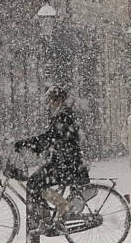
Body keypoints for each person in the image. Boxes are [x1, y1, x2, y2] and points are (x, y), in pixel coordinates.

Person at [14, 85, 89, 234]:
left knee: (34, 183)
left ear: (59, 99)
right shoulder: (62, 113)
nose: (50, 103)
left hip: (66, 163)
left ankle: (58, 210)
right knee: (36, 183)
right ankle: (47, 218)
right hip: (66, 161)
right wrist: (33, 144)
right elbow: (52, 138)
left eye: (52, 100)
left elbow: (49, 137)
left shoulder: (63, 115)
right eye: (49, 100)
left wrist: (25, 143)